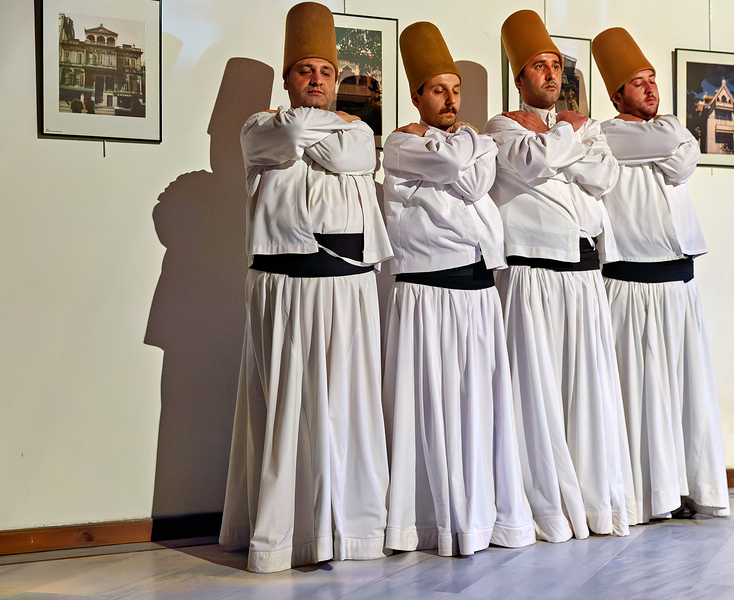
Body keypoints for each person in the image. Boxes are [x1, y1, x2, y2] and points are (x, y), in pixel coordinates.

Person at [218, 2, 393, 573]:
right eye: (304, 71)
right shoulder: (257, 128)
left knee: (348, 406)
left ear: (337, 79)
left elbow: (348, 151)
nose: (316, 80)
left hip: (349, 286)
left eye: (325, 72)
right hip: (285, 286)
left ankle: (353, 529)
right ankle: (285, 536)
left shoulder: (359, 130)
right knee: (288, 405)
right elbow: (293, 131)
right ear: (287, 78)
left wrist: (312, 135)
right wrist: (310, 131)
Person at [381, 21, 535, 558]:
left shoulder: (475, 143)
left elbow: (472, 182)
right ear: (416, 97)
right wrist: (468, 144)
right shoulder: (400, 142)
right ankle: (430, 520)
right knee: (431, 404)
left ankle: (484, 515)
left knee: (480, 404)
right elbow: (452, 164)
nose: (450, 100)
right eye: (437, 90)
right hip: (427, 291)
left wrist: (467, 146)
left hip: (478, 287)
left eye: (455, 90)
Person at [484, 9, 636, 543]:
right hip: (532, 273)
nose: (551, 74)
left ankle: (595, 503)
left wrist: (559, 142)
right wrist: (565, 141)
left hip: (584, 274)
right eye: (538, 66)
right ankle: (546, 507)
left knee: (589, 392)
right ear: (519, 78)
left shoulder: (585, 126)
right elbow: (529, 165)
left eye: (555, 66)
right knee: (537, 394)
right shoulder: (501, 126)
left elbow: (604, 175)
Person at [591, 27, 730, 523]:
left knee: (685, 392)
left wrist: (672, 140)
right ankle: (646, 496)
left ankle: (690, 488)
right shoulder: (605, 135)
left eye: (652, 79)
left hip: (679, 283)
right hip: (630, 283)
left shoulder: (664, 130)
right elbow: (676, 144)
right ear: (616, 96)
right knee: (639, 395)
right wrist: (671, 140)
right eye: (638, 82)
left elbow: (682, 155)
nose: (650, 88)